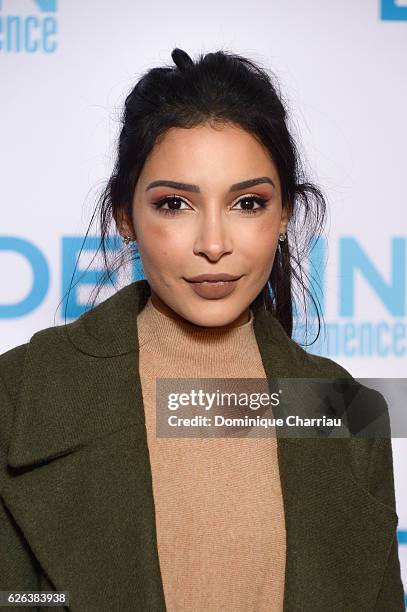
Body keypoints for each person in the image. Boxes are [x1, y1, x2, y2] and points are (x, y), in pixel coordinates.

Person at [0, 47, 404, 612]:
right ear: (124, 215)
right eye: (174, 203)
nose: (213, 244)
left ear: (285, 213)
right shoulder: (19, 396)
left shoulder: (345, 409)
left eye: (247, 202)